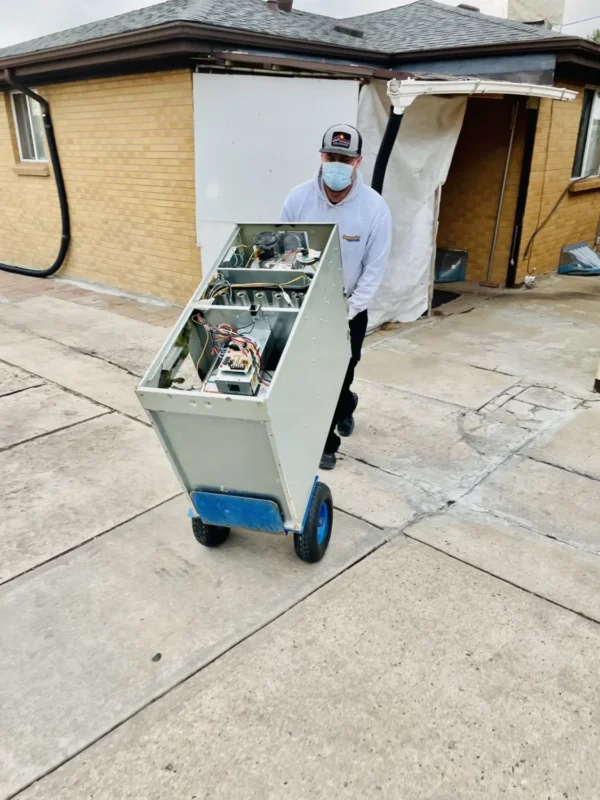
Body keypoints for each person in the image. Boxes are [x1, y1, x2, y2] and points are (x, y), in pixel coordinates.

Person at [280, 123, 392, 470]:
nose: (337, 164)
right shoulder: (298, 199)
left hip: (348, 309)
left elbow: (374, 271)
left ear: (358, 161)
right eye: (332, 156)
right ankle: (330, 435)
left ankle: (340, 410)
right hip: (305, 304)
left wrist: (347, 311)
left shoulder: (374, 209)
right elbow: (281, 251)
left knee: (341, 371)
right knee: (309, 374)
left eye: (345, 158)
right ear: (321, 156)